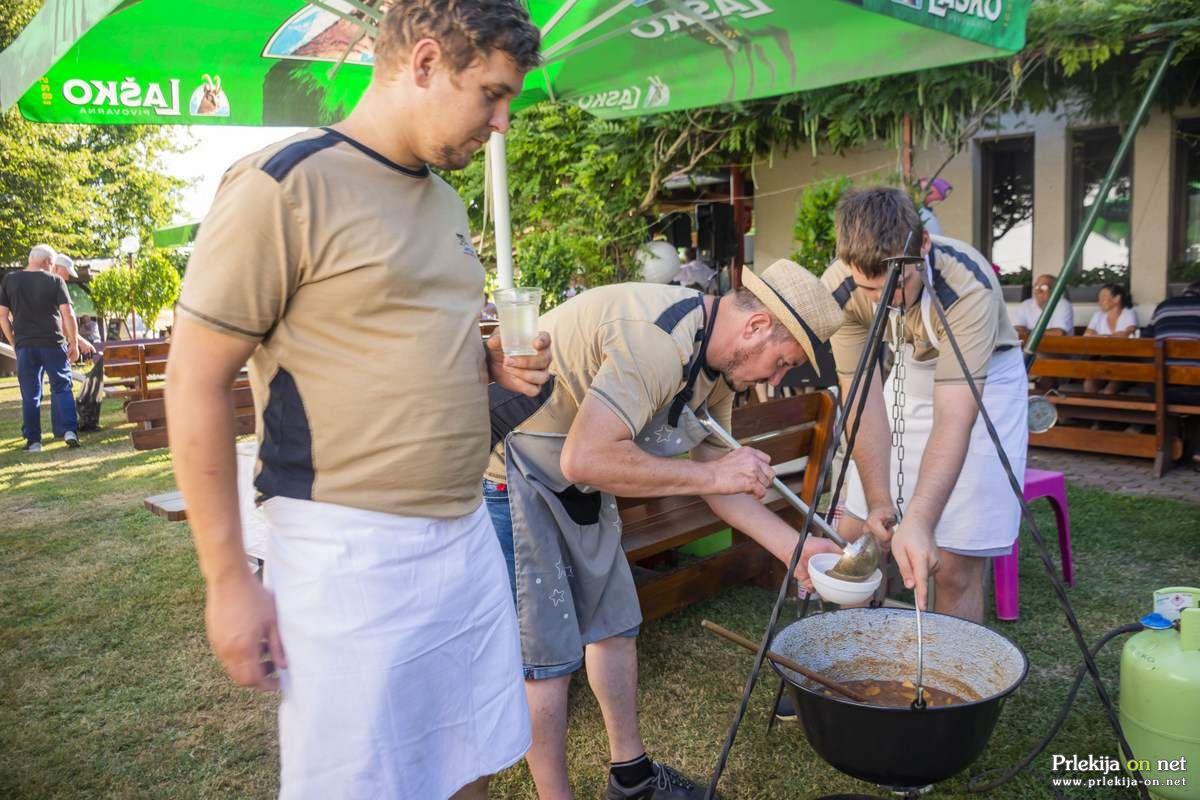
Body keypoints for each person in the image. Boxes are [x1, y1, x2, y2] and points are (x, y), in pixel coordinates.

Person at [163, 3, 545, 799]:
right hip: (350, 553)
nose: (502, 122)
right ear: (427, 62)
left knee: (464, 757)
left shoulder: (442, 198)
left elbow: (390, 327)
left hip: (464, 530)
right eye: (493, 94)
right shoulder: (281, 185)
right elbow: (193, 381)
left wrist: (485, 365)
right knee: (365, 782)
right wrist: (228, 580)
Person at [483, 261, 843, 800]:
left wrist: (796, 548)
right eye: (781, 363)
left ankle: (631, 780)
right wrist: (712, 472)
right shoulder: (657, 342)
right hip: (516, 468)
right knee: (547, 657)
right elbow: (587, 457)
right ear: (756, 326)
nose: (774, 379)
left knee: (614, 622)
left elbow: (719, 487)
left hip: (579, 470)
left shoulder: (714, 370)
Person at [822, 187, 1027, 622]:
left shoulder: (966, 286)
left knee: (953, 564)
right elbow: (861, 397)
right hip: (912, 371)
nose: (885, 302)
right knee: (857, 534)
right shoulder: (839, 290)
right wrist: (881, 501)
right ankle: (852, 674)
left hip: (985, 384)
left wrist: (919, 520)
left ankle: (952, 685)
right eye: (871, 290)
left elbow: (955, 418)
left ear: (924, 245)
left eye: (900, 284)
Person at [0, 244, 82, 452]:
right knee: (62, 387)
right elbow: (68, 314)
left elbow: (2, 315)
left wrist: (13, 341)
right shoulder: (55, 280)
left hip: (25, 345)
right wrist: (73, 343)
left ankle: (34, 442)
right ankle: (69, 431)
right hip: (53, 343)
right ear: (47, 262)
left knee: (30, 394)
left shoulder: (10, 280)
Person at [1084, 283, 1138, 394]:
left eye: (1103, 297)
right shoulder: (1098, 315)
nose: (1099, 302)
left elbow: (1126, 335)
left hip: (1124, 362)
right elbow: (1087, 336)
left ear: (1117, 299)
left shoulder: (1128, 313)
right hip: (1102, 359)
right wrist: (1113, 336)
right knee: (1088, 386)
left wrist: (1100, 336)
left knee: (1110, 390)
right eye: (1099, 298)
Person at [50, 255, 98, 357]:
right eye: (66, 272)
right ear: (55, 268)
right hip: (50, 346)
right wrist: (77, 342)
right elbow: (64, 319)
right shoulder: (54, 287)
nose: (67, 277)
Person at [1011, 273, 1074, 338]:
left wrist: (1028, 332)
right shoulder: (1025, 305)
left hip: (1059, 346)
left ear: (1054, 289)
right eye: (1036, 286)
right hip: (1030, 347)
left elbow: (1058, 333)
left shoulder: (1063, 304)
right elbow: (1017, 330)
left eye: (1044, 287)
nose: (1038, 290)